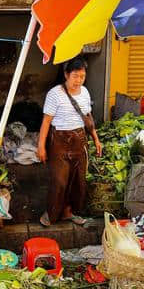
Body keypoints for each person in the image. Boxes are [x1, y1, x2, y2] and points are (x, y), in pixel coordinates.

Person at [37, 56, 102, 227]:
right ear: (66, 75)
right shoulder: (55, 94)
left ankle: (68, 212)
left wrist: (96, 139)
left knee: (77, 181)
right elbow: (46, 122)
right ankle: (52, 213)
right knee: (59, 180)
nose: (79, 80)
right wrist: (41, 146)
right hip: (59, 142)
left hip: (80, 141)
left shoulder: (85, 92)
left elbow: (88, 118)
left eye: (82, 76)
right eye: (75, 76)